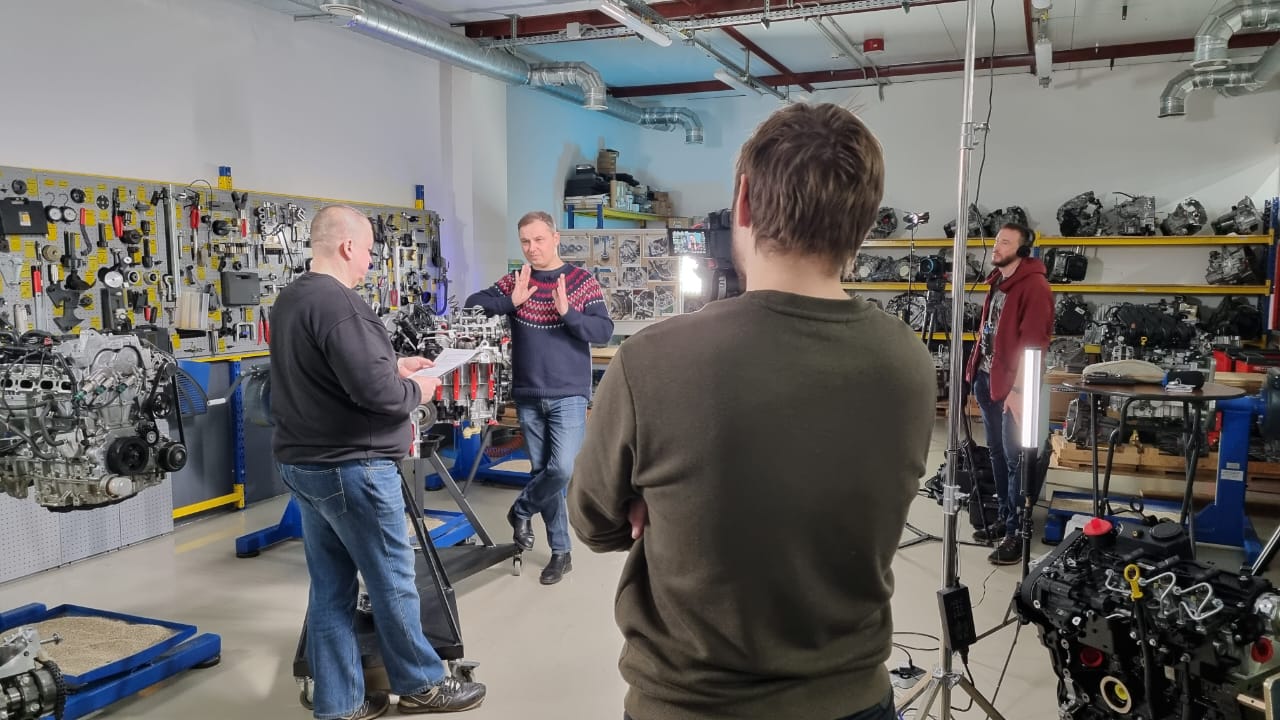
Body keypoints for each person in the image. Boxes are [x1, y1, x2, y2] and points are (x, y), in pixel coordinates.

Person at [567, 104, 936, 720]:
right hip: (853, 697)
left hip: (691, 704)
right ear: (867, 222)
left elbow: (593, 523)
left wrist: (661, 502)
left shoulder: (652, 360)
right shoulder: (908, 361)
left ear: (742, 202)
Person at [271, 205, 486, 720]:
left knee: (331, 589)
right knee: (392, 581)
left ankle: (341, 703)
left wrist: (393, 364)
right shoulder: (341, 304)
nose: (370, 262)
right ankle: (422, 684)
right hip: (353, 467)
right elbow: (380, 396)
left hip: (306, 464)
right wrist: (418, 388)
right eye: (368, 251)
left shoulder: (292, 298)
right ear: (347, 246)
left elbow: (332, 372)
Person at [464, 210, 614, 585]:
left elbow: (603, 330)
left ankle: (520, 509)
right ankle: (561, 552)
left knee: (561, 469)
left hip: (569, 394)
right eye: (525, 242)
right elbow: (471, 305)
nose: (532, 248)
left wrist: (568, 312)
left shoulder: (581, 281)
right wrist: (509, 302)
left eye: (539, 240)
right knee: (542, 472)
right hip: (528, 394)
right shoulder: (517, 281)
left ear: (556, 238)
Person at [964, 222, 1054, 566]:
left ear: (1022, 249)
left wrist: (1018, 390)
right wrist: (975, 372)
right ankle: (1005, 517)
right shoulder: (998, 282)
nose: (996, 247)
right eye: (996, 241)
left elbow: (1035, 343)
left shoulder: (1035, 287)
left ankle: (1017, 533)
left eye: (1005, 242)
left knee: (1016, 460)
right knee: (998, 455)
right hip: (988, 380)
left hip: (1014, 387)